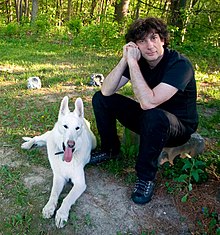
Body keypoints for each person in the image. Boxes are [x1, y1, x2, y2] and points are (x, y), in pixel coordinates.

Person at [89, 17, 198, 205]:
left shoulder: (180, 64)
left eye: (154, 38)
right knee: (101, 99)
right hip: (149, 117)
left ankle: (145, 177)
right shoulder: (137, 61)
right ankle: (110, 150)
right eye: (142, 41)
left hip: (178, 127)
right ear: (135, 46)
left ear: (162, 39)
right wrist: (126, 60)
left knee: (154, 115)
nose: (150, 45)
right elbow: (106, 90)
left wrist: (133, 65)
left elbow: (149, 103)